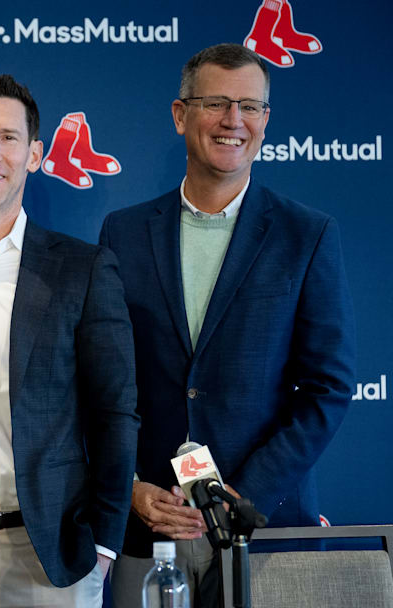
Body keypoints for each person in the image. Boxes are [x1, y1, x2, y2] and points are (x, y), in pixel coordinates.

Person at [100, 43, 355, 607]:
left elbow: (328, 388)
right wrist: (132, 488)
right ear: (179, 114)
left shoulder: (306, 235)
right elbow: (104, 383)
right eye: (216, 102)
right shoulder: (124, 232)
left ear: (265, 119)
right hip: (151, 528)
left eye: (250, 106)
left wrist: (243, 493)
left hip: (264, 528)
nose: (233, 120)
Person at [0, 72, 139, 608]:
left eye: (8, 138)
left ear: (35, 154)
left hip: (48, 558)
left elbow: (116, 412)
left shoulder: (83, 270)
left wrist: (106, 544)